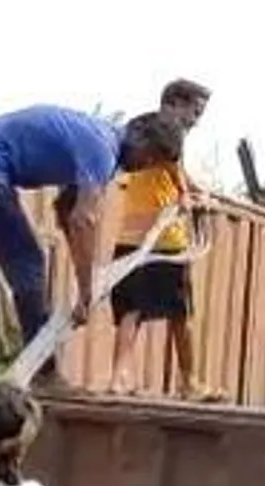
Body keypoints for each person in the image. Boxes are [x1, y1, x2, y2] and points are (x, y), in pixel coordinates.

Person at [0, 106, 186, 389]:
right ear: (137, 134)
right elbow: (83, 220)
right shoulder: (102, 150)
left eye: (153, 163)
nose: (144, 164)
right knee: (29, 264)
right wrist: (87, 290)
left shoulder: (102, 149)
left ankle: (41, 369)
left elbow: (66, 210)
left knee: (29, 263)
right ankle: (44, 373)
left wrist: (82, 277)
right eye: (149, 155)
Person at [108, 78, 225, 402]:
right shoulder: (165, 132)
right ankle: (187, 382)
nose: (196, 120)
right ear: (173, 103)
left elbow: (176, 174)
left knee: (135, 311)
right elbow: (177, 181)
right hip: (161, 239)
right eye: (194, 111)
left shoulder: (141, 131)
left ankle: (121, 378)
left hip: (133, 236)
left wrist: (198, 192)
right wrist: (190, 199)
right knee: (175, 314)